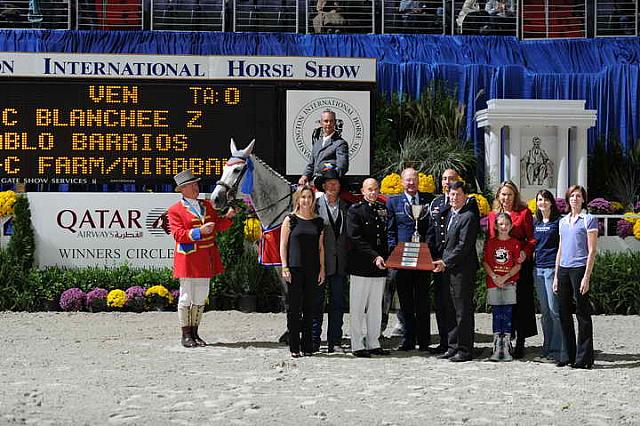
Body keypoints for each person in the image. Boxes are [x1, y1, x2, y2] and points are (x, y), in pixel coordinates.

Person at [167, 169, 236, 348]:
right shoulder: (175, 210)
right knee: (186, 295)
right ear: (182, 189)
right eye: (191, 185)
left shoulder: (207, 205)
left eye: (196, 184)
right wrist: (199, 232)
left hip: (206, 256)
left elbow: (217, 226)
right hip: (188, 258)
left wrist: (228, 218)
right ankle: (185, 334)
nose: (195, 187)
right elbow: (178, 234)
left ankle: (195, 332)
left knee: (201, 296)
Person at [427, 168, 479, 353]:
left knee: (462, 310)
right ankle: (452, 345)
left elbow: (463, 246)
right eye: (451, 194)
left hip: (462, 269)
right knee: (450, 308)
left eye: (457, 194)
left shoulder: (468, 216)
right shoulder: (451, 214)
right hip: (450, 269)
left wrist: (445, 261)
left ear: (465, 196)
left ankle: (464, 349)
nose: (454, 198)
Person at [487, 180, 537, 359]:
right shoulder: (492, 215)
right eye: (503, 194)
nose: (506, 197)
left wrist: (525, 252)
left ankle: (521, 341)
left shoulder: (524, 213)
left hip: (519, 265)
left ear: (514, 196)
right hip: (499, 267)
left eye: (509, 194)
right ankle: (504, 340)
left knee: (520, 303)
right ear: (498, 196)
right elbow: (490, 239)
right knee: (502, 304)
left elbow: (532, 238)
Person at [386, 168, 434, 351]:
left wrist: (427, 249)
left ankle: (424, 340)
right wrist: (394, 251)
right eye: (408, 180)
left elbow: (431, 228)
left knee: (422, 299)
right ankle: (408, 338)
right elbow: (390, 229)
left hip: (422, 257)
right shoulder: (393, 202)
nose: (411, 183)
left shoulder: (428, 200)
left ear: (418, 181)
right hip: (402, 257)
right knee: (405, 300)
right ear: (401, 182)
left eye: (414, 179)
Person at [553, 185, 597, 369]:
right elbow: (561, 248)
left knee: (582, 313)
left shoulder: (588, 220)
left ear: (583, 199)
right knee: (563, 313)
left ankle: (584, 357)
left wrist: (587, 276)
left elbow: (592, 250)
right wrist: (556, 275)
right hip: (563, 268)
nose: (575, 199)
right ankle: (567, 355)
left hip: (579, 268)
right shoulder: (563, 222)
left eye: (578, 196)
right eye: (572, 196)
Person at [279, 185, 326, 358]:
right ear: (298, 199)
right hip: (294, 269)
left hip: (312, 269)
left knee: (310, 308)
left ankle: (308, 346)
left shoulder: (318, 221)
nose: (306, 200)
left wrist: (322, 269)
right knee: (294, 309)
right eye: (303, 197)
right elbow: (283, 245)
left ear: (313, 200)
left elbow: (320, 248)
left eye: (309, 197)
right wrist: (285, 266)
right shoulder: (290, 220)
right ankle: (294, 346)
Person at [346, 178, 390, 358]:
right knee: (357, 307)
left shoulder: (381, 210)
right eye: (370, 189)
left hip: (379, 266)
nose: (373, 192)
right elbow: (355, 238)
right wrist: (375, 256)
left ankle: (373, 342)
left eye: (376, 189)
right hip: (361, 266)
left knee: (375, 307)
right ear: (363, 192)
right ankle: (357, 344)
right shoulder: (355, 210)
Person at [312, 168, 349, 354]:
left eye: (336, 183)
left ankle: (335, 341)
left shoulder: (346, 206)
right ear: (324, 186)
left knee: (337, 305)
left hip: (339, 265)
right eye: (329, 183)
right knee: (316, 303)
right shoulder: (313, 205)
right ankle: (314, 340)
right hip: (319, 264)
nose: (333, 185)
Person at [533, 189, 567, 364]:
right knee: (545, 312)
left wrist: (557, 274)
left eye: (545, 199)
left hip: (552, 270)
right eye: (539, 199)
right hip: (537, 270)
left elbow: (561, 248)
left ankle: (558, 349)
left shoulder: (558, 222)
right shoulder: (536, 222)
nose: (542, 202)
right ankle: (546, 347)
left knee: (555, 311)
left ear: (551, 202)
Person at [483, 212, 522, 362]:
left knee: (507, 312)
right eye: (501, 224)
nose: (504, 227)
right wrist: (494, 277)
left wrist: (505, 277)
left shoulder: (515, 243)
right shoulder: (491, 243)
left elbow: (517, 265)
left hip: (509, 282)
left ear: (511, 226)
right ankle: (496, 343)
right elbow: (486, 262)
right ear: (496, 226)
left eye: (506, 224)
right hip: (494, 282)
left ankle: (506, 343)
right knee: (497, 312)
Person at [298, 109, 349, 188]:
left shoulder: (341, 143)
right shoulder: (317, 143)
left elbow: (342, 167)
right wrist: (304, 176)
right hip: (313, 184)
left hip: (329, 186)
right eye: (326, 121)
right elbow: (311, 165)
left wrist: (329, 179)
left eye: (331, 121)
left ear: (335, 122)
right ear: (321, 123)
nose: (328, 124)